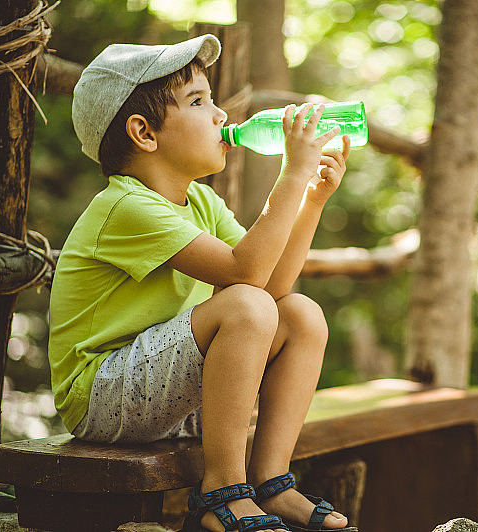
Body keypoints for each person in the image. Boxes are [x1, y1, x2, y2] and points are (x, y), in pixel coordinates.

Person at [48, 34, 356, 532]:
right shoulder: (125, 206)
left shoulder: (201, 203)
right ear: (144, 133)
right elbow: (244, 277)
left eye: (212, 99)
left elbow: (273, 286)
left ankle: (271, 482)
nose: (220, 115)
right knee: (244, 307)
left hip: (169, 396)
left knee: (301, 313)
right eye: (198, 101)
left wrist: (311, 201)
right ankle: (220, 492)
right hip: (104, 398)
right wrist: (291, 176)